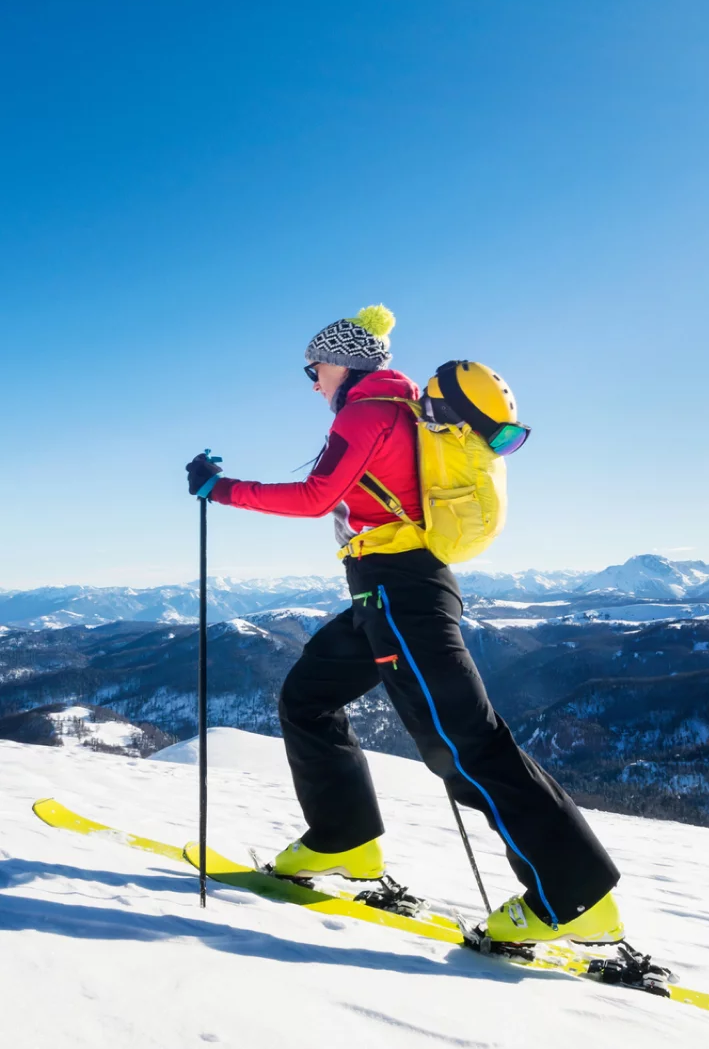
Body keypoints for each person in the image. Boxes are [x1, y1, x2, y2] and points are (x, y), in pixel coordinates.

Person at [185, 304, 622, 943]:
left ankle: (575, 899)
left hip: (402, 594)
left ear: (344, 362)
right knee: (307, 699)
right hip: (381, 595)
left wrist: (219, 488)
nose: (313, 383)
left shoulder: (367, 412)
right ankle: (344, 842)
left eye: (315, 368)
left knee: (468, 744)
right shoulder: (400, 406)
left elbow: (315, 498)